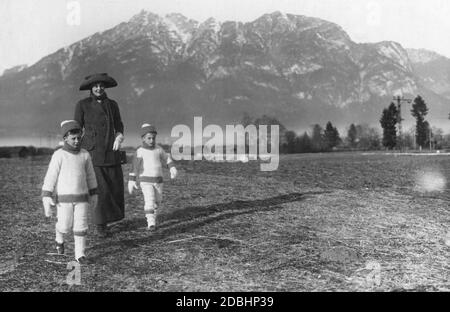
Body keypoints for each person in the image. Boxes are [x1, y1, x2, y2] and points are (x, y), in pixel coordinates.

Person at [74, 73, 125, 237]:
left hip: (112, 151)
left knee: (114, 186)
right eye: (95, 86)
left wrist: (119, 135)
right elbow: (76, 128)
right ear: (90, 88)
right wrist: (76, 148)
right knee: (99, 189)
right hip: (93, 152)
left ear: (105, 87)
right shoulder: (82, 105)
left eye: (101, 85)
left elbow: (119, 124)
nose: (98, 88)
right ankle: (100, 224)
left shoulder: (113, 105)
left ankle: (109, 219)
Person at [42, 120, 98, 264]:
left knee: (81, 226)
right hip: (64, 199)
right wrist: (47, 194)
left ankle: (79, 254)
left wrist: (94, 192)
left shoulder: (85, 154)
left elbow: (91, 175)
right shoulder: (59, 155)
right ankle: (59, 237)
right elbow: (51, 175)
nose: (77, 141)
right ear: (65, 138)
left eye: (79, 138)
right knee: (65, 226)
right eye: (73, 138)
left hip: (82, 198)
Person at [128, 124, 177, 231]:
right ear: (143, 138)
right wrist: (131, 180)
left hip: (159, 181)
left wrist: (172, 168)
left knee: (158, 201)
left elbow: (167, 158)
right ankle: (151, 223)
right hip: (145, 181)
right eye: (149, 138)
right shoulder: (140, 151)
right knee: (149, 200)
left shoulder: (159, 149)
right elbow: (134, 167)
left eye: (153, 138)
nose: (151, 140)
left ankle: (152, 215)